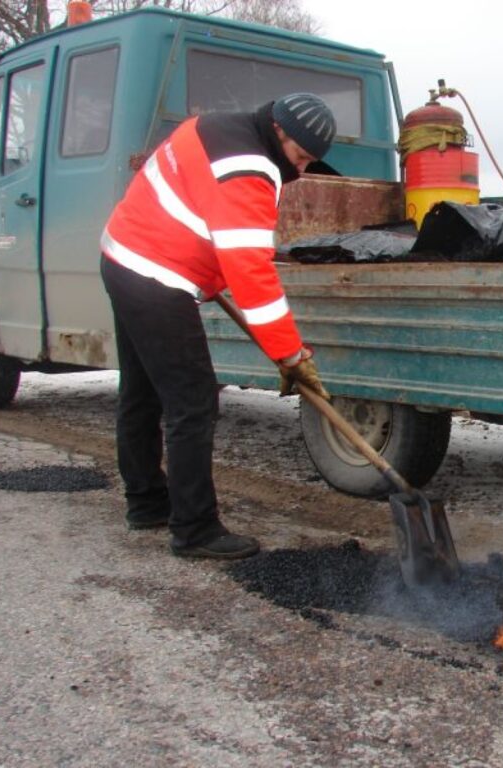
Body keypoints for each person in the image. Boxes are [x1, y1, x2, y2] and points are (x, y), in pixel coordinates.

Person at [100, 93, 334, 559]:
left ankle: (147, 503)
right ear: (281, 131)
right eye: (302, 158)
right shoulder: (250, 166)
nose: (303, 170)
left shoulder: (215, 124)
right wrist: (290, 355)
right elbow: (252, 273)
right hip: (156, 277)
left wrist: (210, 271)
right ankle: (195, 529)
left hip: (123, 257)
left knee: (142, 393)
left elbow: (204, 210)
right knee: (193, 401)